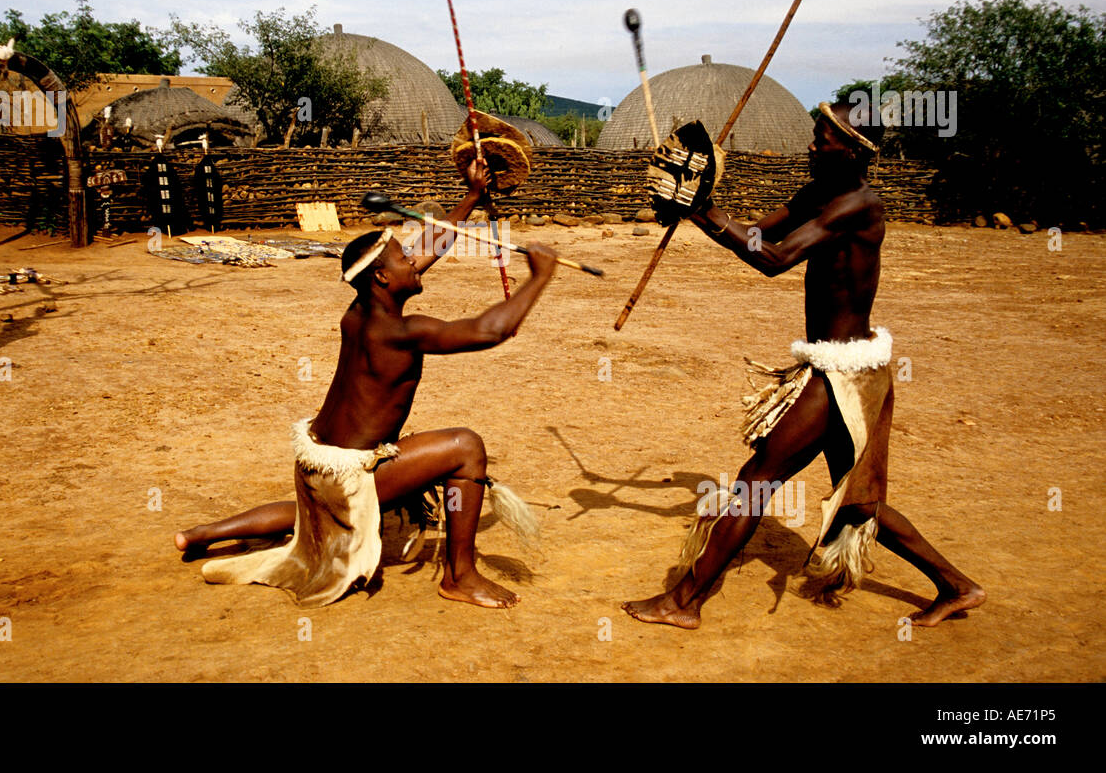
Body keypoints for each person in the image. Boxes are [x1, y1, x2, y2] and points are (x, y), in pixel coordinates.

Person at [622, 100, 985, 629]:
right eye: (815, 135)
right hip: (843, 371)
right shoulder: (820, 196)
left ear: (855, 150)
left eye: (823, 138)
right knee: (857, 506)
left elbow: (776, 259)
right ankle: (958, 586)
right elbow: (760, 236)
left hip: (842, 375)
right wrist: (699, 204)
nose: (813, 145)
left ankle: (684, 602)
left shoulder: (859, 205)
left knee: (755, 481)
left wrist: (702, 209)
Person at [175, 160, 558, 609]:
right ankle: (461, 575)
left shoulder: (358, 313)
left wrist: (471, 197)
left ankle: (201, 534)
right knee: (466, 447)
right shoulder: (400, 333)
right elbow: (489, 331)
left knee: (311, 515)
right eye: (404, 259)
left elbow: (425, 251)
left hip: (314, 467)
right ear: (381, 278)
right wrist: (540, 278)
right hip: (350, 475)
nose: (416, 260)